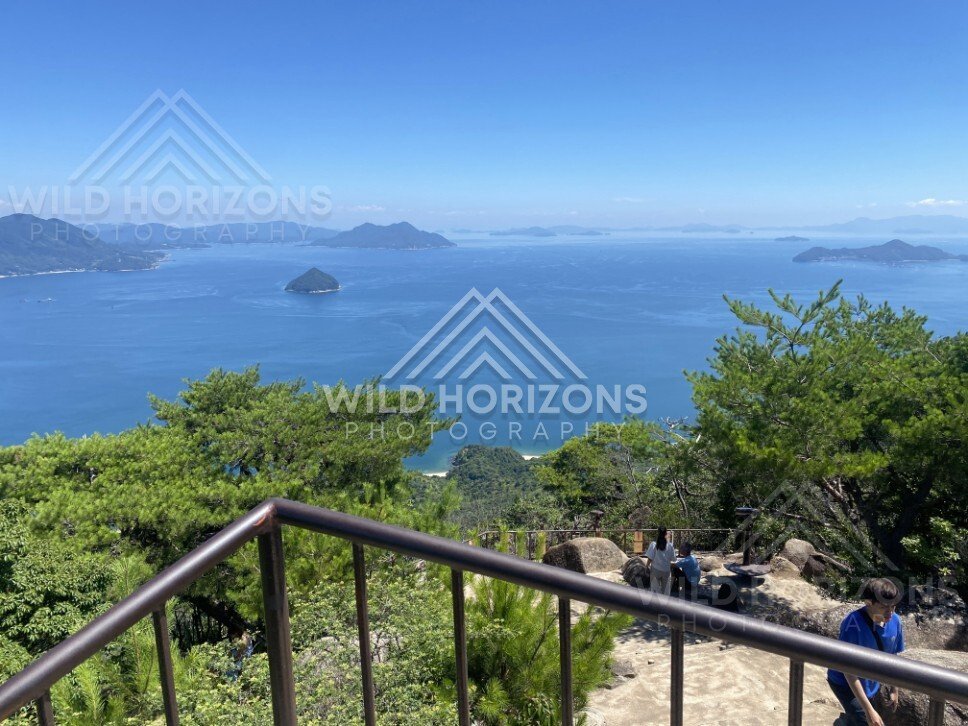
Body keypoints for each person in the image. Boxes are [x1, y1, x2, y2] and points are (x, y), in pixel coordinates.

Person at [827, 578, 905, 726]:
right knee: (867, 720)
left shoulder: (896, 622)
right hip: (844, 682)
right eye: (884, 607)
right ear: (868, 603)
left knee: (859, 718)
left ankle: (844, 723)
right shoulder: (853, 624)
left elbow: (893, 656)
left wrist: (895, 688)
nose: (890, 613)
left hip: (869, 681)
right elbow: (847, 670)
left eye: (893, 607)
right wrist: (868, 710)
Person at [644, 526, 676, 595]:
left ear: (658, 533)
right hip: (666, 570)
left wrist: (646, 566)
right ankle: (665, 604)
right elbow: (673, 559)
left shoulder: (653, 544)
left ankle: (656, 604)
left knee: (655, 591)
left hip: (655, 569)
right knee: (666, 591)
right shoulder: (670, 546)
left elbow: (650, 558)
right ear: (666, 533)